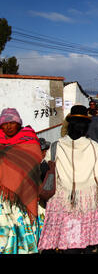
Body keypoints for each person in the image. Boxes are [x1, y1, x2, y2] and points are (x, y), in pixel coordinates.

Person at [38, 105, 98, 253]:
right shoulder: (94, 147)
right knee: (81, 241)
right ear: (86, 127)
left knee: (67, 241)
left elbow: (44, 169)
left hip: (62, 202)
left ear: (69, 124)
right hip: (87, 203)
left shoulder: (56, 147)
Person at [0, 108, 44, 254]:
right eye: (5, 124)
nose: (8, 126)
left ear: (19, 123)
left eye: (12, 122)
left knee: (22, 224)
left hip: (23, 196)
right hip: (3, 198)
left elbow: (34, 160)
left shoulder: (29, 140)